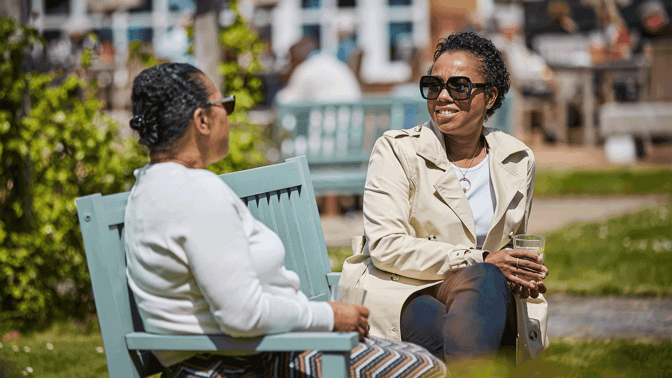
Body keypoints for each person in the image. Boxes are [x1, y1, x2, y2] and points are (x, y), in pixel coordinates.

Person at [124, 62, 445, 378]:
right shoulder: (196, 192)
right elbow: (243, 315)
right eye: (226, 104)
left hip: (232, 355)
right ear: (203, 120)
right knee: (427, 366)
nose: (229, 115)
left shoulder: (147, 188)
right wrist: (329, 316)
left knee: (418, 354)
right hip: (243, 364)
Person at [340, 32, 550, 364]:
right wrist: (478, 259)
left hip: (481, 292)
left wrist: (519, 274)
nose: (443, 96)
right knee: (473, 313)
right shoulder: (397, 150)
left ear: (490, 96)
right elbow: (385, 246)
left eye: (460, 86)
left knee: (487, 289)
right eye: (434, 85)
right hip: (404, 289)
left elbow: (507, 248)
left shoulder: (516, 159)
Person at [275, 36, 362, 104]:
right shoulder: (330, 61)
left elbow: (286, 100)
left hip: (329, 124)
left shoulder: (305, 69)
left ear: (296, 57)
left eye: (291, 59)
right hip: (353, 120)